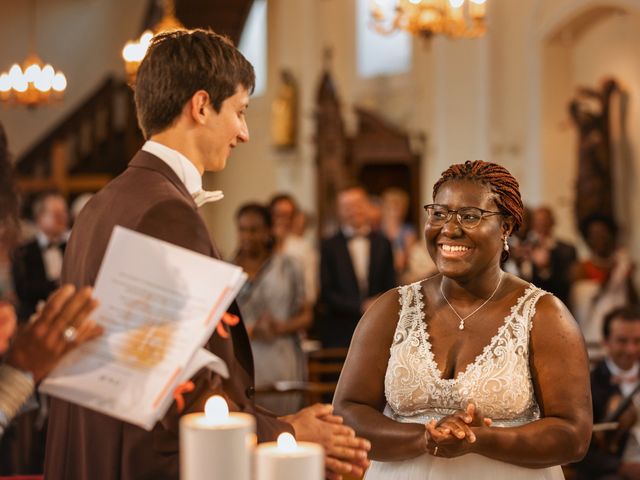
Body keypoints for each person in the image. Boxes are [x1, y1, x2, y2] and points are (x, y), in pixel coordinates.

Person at [45, 29, 369, 480]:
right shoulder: (165, 212)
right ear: (200, 106)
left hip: (90, 453)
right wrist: (285, 432)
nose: (244, 132)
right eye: (239, 111)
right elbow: (182, 386)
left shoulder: (105, 202)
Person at [334, 160, 592, 479]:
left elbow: (574, 435)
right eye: (439, 214)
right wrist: (424, 438)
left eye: (470, 216)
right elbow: (348, 413)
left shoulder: (544, 315)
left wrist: (477, 440)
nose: (449, 229)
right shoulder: (392, 309)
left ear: (506, 227)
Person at [234, 203, 310, 415]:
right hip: (245, 355)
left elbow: (307, 315)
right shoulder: (230, 270)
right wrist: (251, 330)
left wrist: (282, 326)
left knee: (285, 420)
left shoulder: (288, 266)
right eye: (242, 229)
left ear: (268, 231)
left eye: (254, 230)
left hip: (281, 354)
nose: (247, 236)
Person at [318, 186, 396, 348]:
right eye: (347, 207)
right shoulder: (328, 246)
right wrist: (359, 305)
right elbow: (327, 292)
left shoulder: (383, 243)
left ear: (367, 206)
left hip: (378, 326)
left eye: (358, 204)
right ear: (339, 211)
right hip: (340, 330)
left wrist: (377, 304)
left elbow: (392, 284)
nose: (354, 210)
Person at [576, 305, 640, 479]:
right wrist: (621, 467)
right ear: (606, 342)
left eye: (637, 341)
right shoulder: (588, 385)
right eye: (622, 341)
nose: (631, 350)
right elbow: (578, 448)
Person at [571, 214, 638, 347]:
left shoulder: (622, 265)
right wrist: (612, 273)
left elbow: (633, 303)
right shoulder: (581, 269)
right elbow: (583, 305)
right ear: (588, 239)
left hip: (621, 338)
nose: (600, 238)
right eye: (594, 235)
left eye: (603, 234)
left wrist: (627, 275)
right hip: (592, 338)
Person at [11, 191, 69, 321]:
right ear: (39, 218)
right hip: (35, 319)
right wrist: (56, 284)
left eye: (64, 213)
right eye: (56, 214)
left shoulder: (71, 247)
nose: (62, 218)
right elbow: (23, 290)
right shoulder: (24, 252)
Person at [269, 193, 318, 303]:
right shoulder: (262, 244)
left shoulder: (303, 247)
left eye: (288, 215)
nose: (282, 220)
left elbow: (310, 291)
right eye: (277, 214)